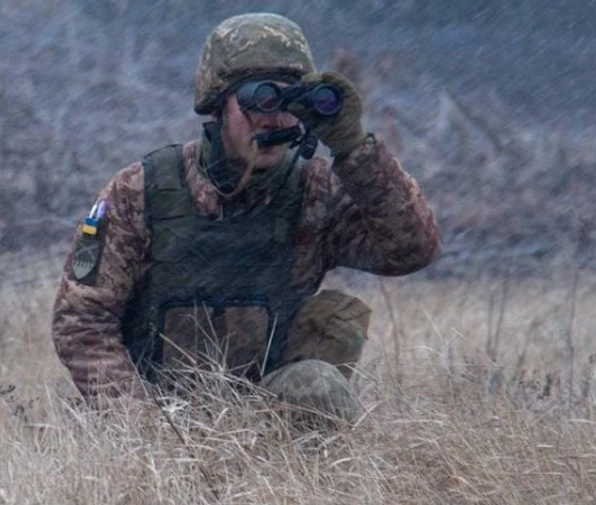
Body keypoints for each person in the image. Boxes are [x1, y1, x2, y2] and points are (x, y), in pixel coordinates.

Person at [51, 12, 441, 423]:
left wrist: (353, 148)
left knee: (318, 388)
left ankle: (298, 486)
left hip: (265, 414)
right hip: (153, 410)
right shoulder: (140, 190)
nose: (275, 119)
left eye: (291, 103)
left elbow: (412, 250)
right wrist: (144, 427)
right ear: (219, 105)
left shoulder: (315, 191)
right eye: (259, 99)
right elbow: (82, 322)